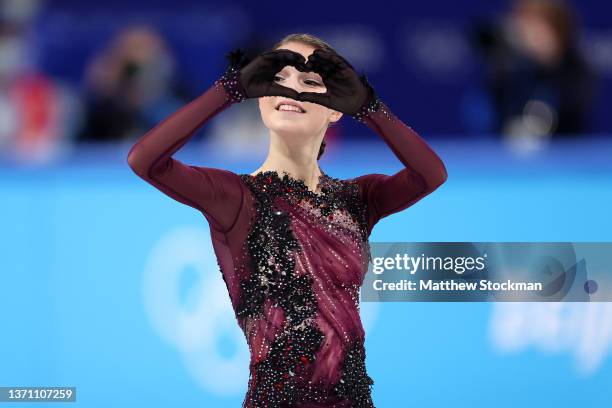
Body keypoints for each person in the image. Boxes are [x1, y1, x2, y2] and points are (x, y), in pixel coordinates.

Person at [127, 33, 447, 408]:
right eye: (278, 79)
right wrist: (228, 90)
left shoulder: (358, 200)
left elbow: (431, 174)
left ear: (336, 107)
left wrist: (370, 108)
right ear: (262, 96)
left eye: (311, 82)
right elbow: (145, 160)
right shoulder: (235, 198)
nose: (293, 90)